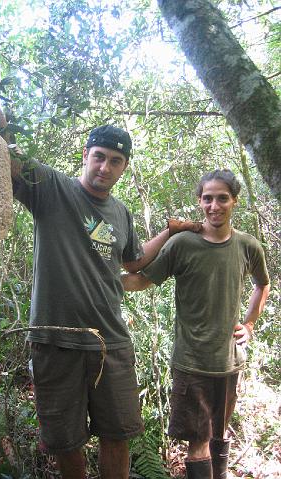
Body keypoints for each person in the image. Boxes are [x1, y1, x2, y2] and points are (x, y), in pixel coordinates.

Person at [0, 49, 202, 479]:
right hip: (56, 339)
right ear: (86, 154)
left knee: (119, 435)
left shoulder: (121, 213)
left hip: (110, 341)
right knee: (66, 442)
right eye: (99, 156)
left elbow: (133, 260)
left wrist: (170, 233)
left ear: (124, 167)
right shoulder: (52, 189)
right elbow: (9, 149)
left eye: (115, 161)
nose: (105, 166)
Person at [122, 169, 270, 479]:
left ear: (235, 202)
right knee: (198, 443)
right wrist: (100, 276)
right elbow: (141, 280)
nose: (214, 206)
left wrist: (250, 323)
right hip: (192, 363)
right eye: (207, 199)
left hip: (229, 362)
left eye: (222, 198)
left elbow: (262, 284)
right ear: (199, 202)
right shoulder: (183, 244)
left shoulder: (247, 245)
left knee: (219, 434)